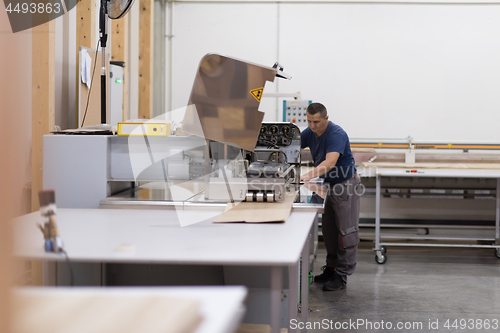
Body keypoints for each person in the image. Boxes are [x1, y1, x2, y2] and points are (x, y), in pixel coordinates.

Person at [300, 102, 361, 291]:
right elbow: (292, 148)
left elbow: (330, 162)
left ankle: (341, 276)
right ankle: (331, 268)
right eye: (309, 121)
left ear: (326, 118)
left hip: (344, 185)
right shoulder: (309, 132)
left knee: (345, 231)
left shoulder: (336, 133)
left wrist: (304, 176)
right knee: (329, 232)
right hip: (326, 185)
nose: (312, 126)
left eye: (316, 122)